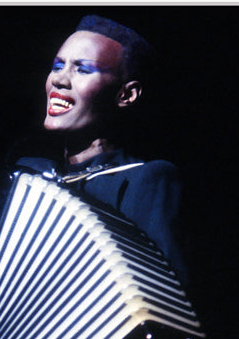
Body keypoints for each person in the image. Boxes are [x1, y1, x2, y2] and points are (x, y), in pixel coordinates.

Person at [13, 14, 189, 286]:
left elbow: (164, 300)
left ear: (126, 95)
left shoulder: (145, 181)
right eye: (57, 66)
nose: (60, 80)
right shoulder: (25, 174)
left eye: (83, 69)